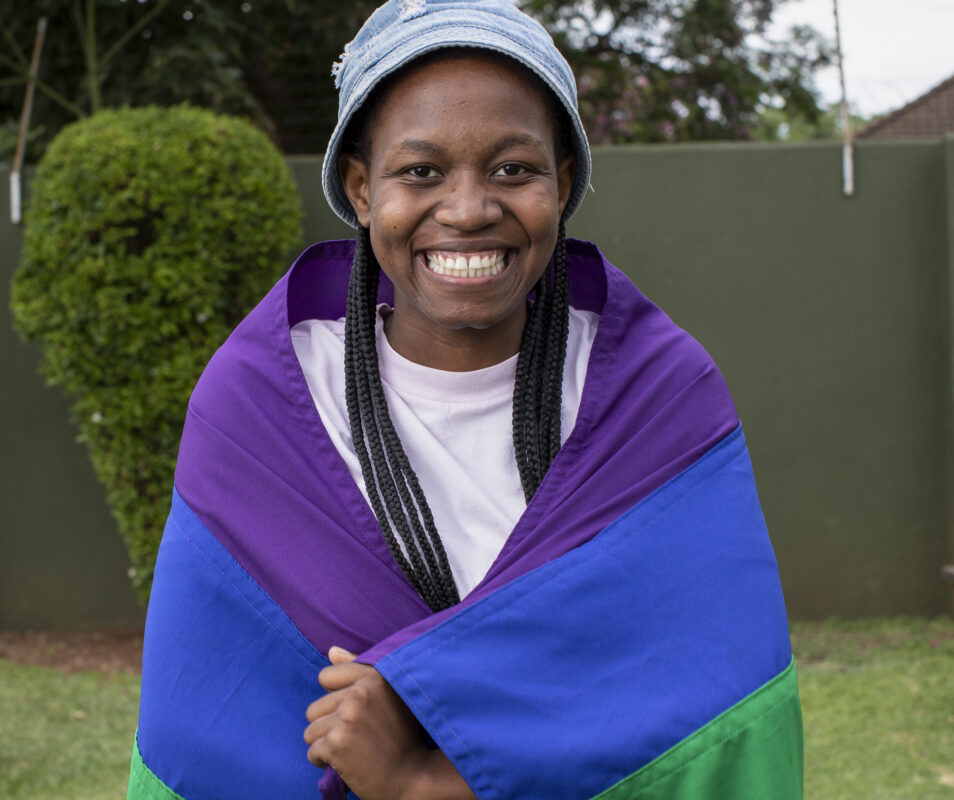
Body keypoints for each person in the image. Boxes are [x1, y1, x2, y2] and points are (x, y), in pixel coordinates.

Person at [128, 2, 803, 799]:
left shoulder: (657, 396)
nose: (469, 208)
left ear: (563, 183)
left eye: (513, 169)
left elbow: (711, 701)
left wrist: (426, 779)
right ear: (361, 188)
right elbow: (208, 724)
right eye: (421, 171)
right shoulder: (257, 405)